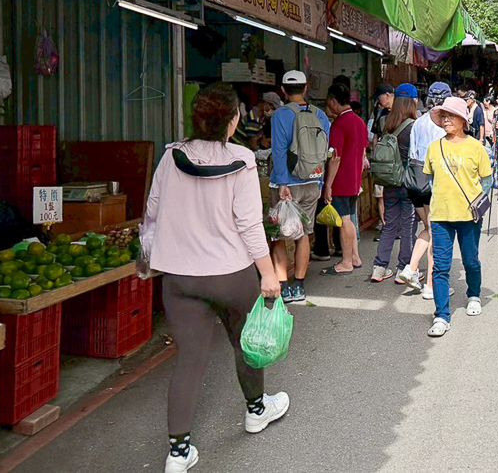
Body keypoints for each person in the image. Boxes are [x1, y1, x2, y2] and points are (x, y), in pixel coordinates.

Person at [140, 83, 288, 473]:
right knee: (247, 343)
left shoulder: (171, 157)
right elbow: (249, 226)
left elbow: (152, 212)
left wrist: (151, 256)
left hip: (180, 277)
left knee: (189, 359)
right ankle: (256, 410)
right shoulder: (240, 159)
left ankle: (178, 451)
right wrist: (269, 274)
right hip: (230, 274)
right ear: (234, 120)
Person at [422, 96, 493, 337]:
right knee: (440, 267)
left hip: (469, 216)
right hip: (441, 215)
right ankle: (441, 315)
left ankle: (474, 294)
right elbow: (431, 180)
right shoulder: (434, 147)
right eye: (443, 116)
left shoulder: (476, 147)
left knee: (470, 260)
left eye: (450, 116)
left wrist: (478, 203)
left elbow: (487, 180)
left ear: (463, 120)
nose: (445, 120)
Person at [269, 71, 331, 302]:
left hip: (286, 184)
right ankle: (300, 286)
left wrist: (283, 183)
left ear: (283, 90)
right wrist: (322, 182)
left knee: (279, 236)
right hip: (312, 182)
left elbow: (278, 151)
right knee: (303, 234)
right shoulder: (321, 115)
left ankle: (283, 286)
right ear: (305, 89)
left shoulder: (280, 115)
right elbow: (324, 152)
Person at [397, 82, 450, 297]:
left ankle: (410, 268)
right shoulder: (443, 125)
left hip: (414, 182)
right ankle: (430, 285)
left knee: (428, 228)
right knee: (436, 231)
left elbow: (412, 152)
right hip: (432, 182)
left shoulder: (418, 122)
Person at [371, 83, 419, 282]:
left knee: (389, 224)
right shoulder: (413, 126)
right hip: (408, 182)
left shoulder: (384, 121)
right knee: (408, 226)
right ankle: (403, 268)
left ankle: (379, 267)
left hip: (389, 180)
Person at [320, 83, 369, 275]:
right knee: (350, 218)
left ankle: (346, 261)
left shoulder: (339, 124)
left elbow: (335, 157)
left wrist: (328, 185)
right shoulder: (359, 122)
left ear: (333, 101)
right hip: (355, 179)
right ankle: (355, 257)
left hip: (341, 180)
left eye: (328, 103)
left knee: (345, 221)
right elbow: (363, 150)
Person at [369, 83, 395, 235]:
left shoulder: (402, 112)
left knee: (394, 196)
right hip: (382, 163)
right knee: (381, 195)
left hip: (397, 164)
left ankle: (395, 227)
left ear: (387, 95)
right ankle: (386, 226)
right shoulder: (380, 114)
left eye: (379, 97)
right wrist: (375, 157)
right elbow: (375, 137)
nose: (378, 101)